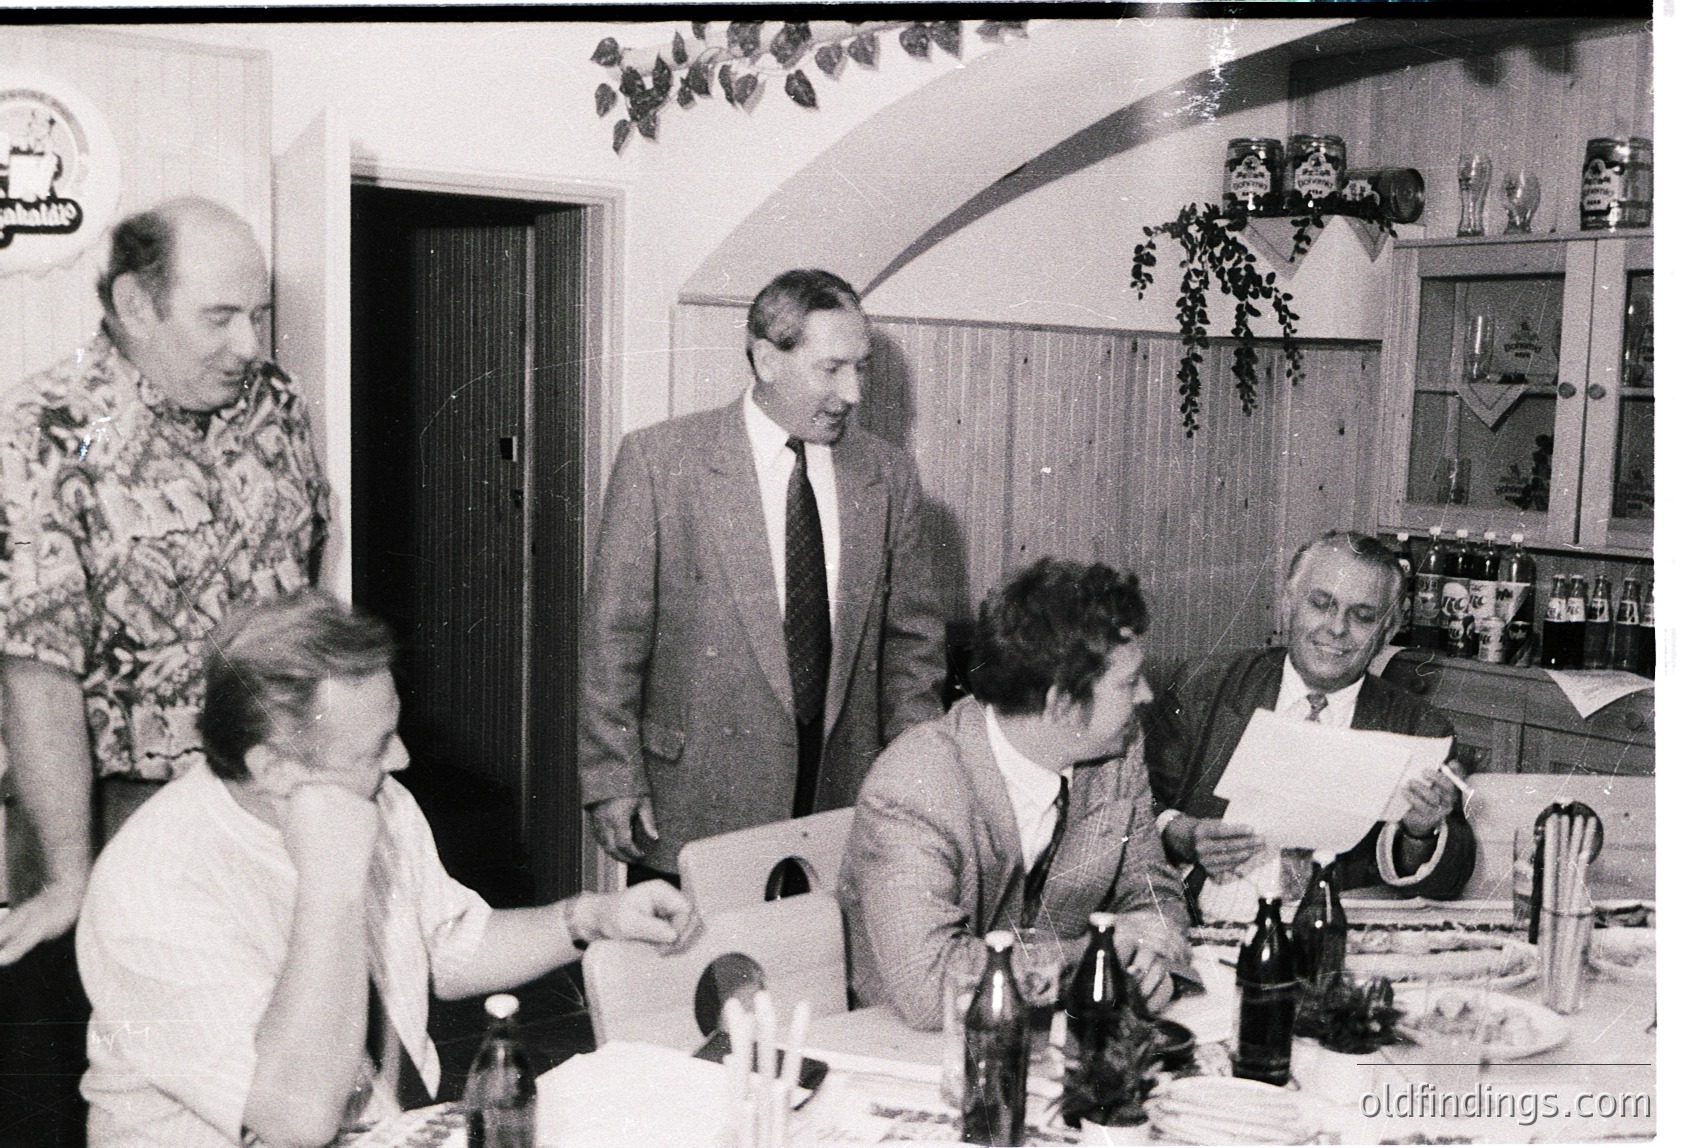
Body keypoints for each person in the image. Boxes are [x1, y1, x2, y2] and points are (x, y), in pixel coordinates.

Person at [76, 591, 695, 1148]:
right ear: (272, 770)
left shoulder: (369, 793)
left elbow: (450, 946)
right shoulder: (154, 886)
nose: (400, 759)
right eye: (376, 747)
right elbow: (296, 1120)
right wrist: (330, 879)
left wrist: (592, 917)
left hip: (389, 1127)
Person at [0, 197, 329, 967]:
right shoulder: (41, 430)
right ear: (135, 305)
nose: (249, 344)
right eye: (220, 318)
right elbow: (33, 672)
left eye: (258, 313)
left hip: (263, 793)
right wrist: (68, 875)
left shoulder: (275, 404)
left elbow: (303, 581)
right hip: (114, 813)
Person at [580, 269, 946, 883]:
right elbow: (612, 639)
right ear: (766, 359)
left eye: (861, 367)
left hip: (842, 803)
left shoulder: (889, 475)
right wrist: (611, 778)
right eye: (832, 369)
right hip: (695, 802)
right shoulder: (660, 461)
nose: (853, 392)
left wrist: (910, 777)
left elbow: (914, 646)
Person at [838, 558, 1193, 1032]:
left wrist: (1155, 961)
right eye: (1128, 683)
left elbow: (1153, 889)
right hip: (910, 1049)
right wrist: (1105, 950)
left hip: (1047, 1044)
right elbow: (930, 986)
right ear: (1062, 706)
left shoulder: (1116, 754)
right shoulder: (913, 787)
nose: (1146, 695)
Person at [1145, 530, 1475, 921]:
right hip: (1205, 923)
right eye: (1321, 604)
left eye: (1363, 616)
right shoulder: (1204, 685)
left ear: (1388, 630)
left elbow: (1448, 881)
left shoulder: (1421, 729)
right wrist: (1186, 835)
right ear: (1288, 604)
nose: (1337, 628)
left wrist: (1419, 833)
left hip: (1337, 935)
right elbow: (1136, 807)